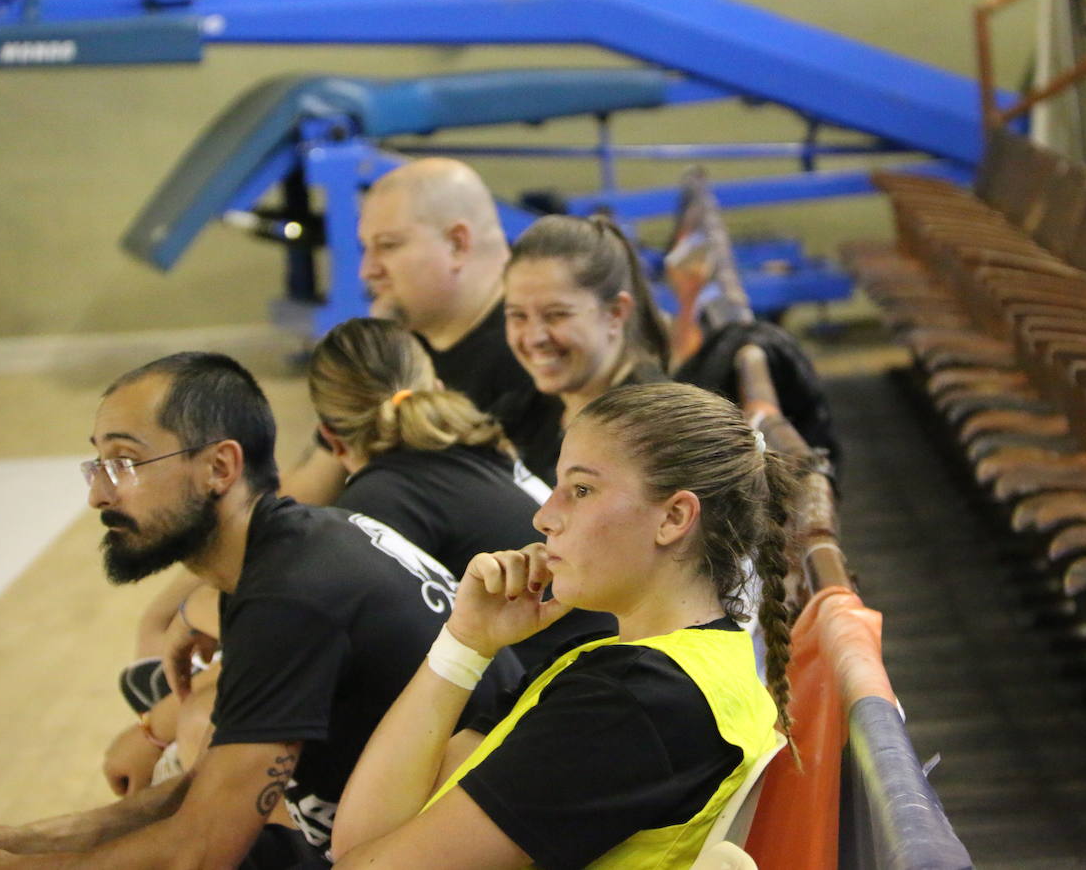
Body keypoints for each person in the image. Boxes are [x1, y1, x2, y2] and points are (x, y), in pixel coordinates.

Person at [0, 352, 515, 869]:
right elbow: (212, 787)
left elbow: (199, 851)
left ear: (219, 468)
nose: (98, 495)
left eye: (124, 463)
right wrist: (18, 842)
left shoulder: (291, 597)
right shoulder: (294, 543)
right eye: (97, 465)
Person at [328, 381, 798, 869]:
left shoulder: (633, 703)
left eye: (581, 489)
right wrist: (465, 643)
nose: (544, 516)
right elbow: (360, 843)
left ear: (674, 516)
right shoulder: (624, 664)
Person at [309, 316, 616, 667]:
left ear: (331, 438)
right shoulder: (488, 448)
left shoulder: (375, 503)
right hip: (609, 664)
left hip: (562, 684)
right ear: (437, 389)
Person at [284, 157, 532, 505]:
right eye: (365, 249)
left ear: (457, 244)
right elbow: (307, 492)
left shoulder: (535, 358)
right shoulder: (396, 350)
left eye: (388, 245)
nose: (367, 271)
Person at [493, 214, 672, 483]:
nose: (533, 338)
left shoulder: (652, 434)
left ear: (615, 313)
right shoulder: (524, 412)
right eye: (518, 316)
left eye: (556, 315)